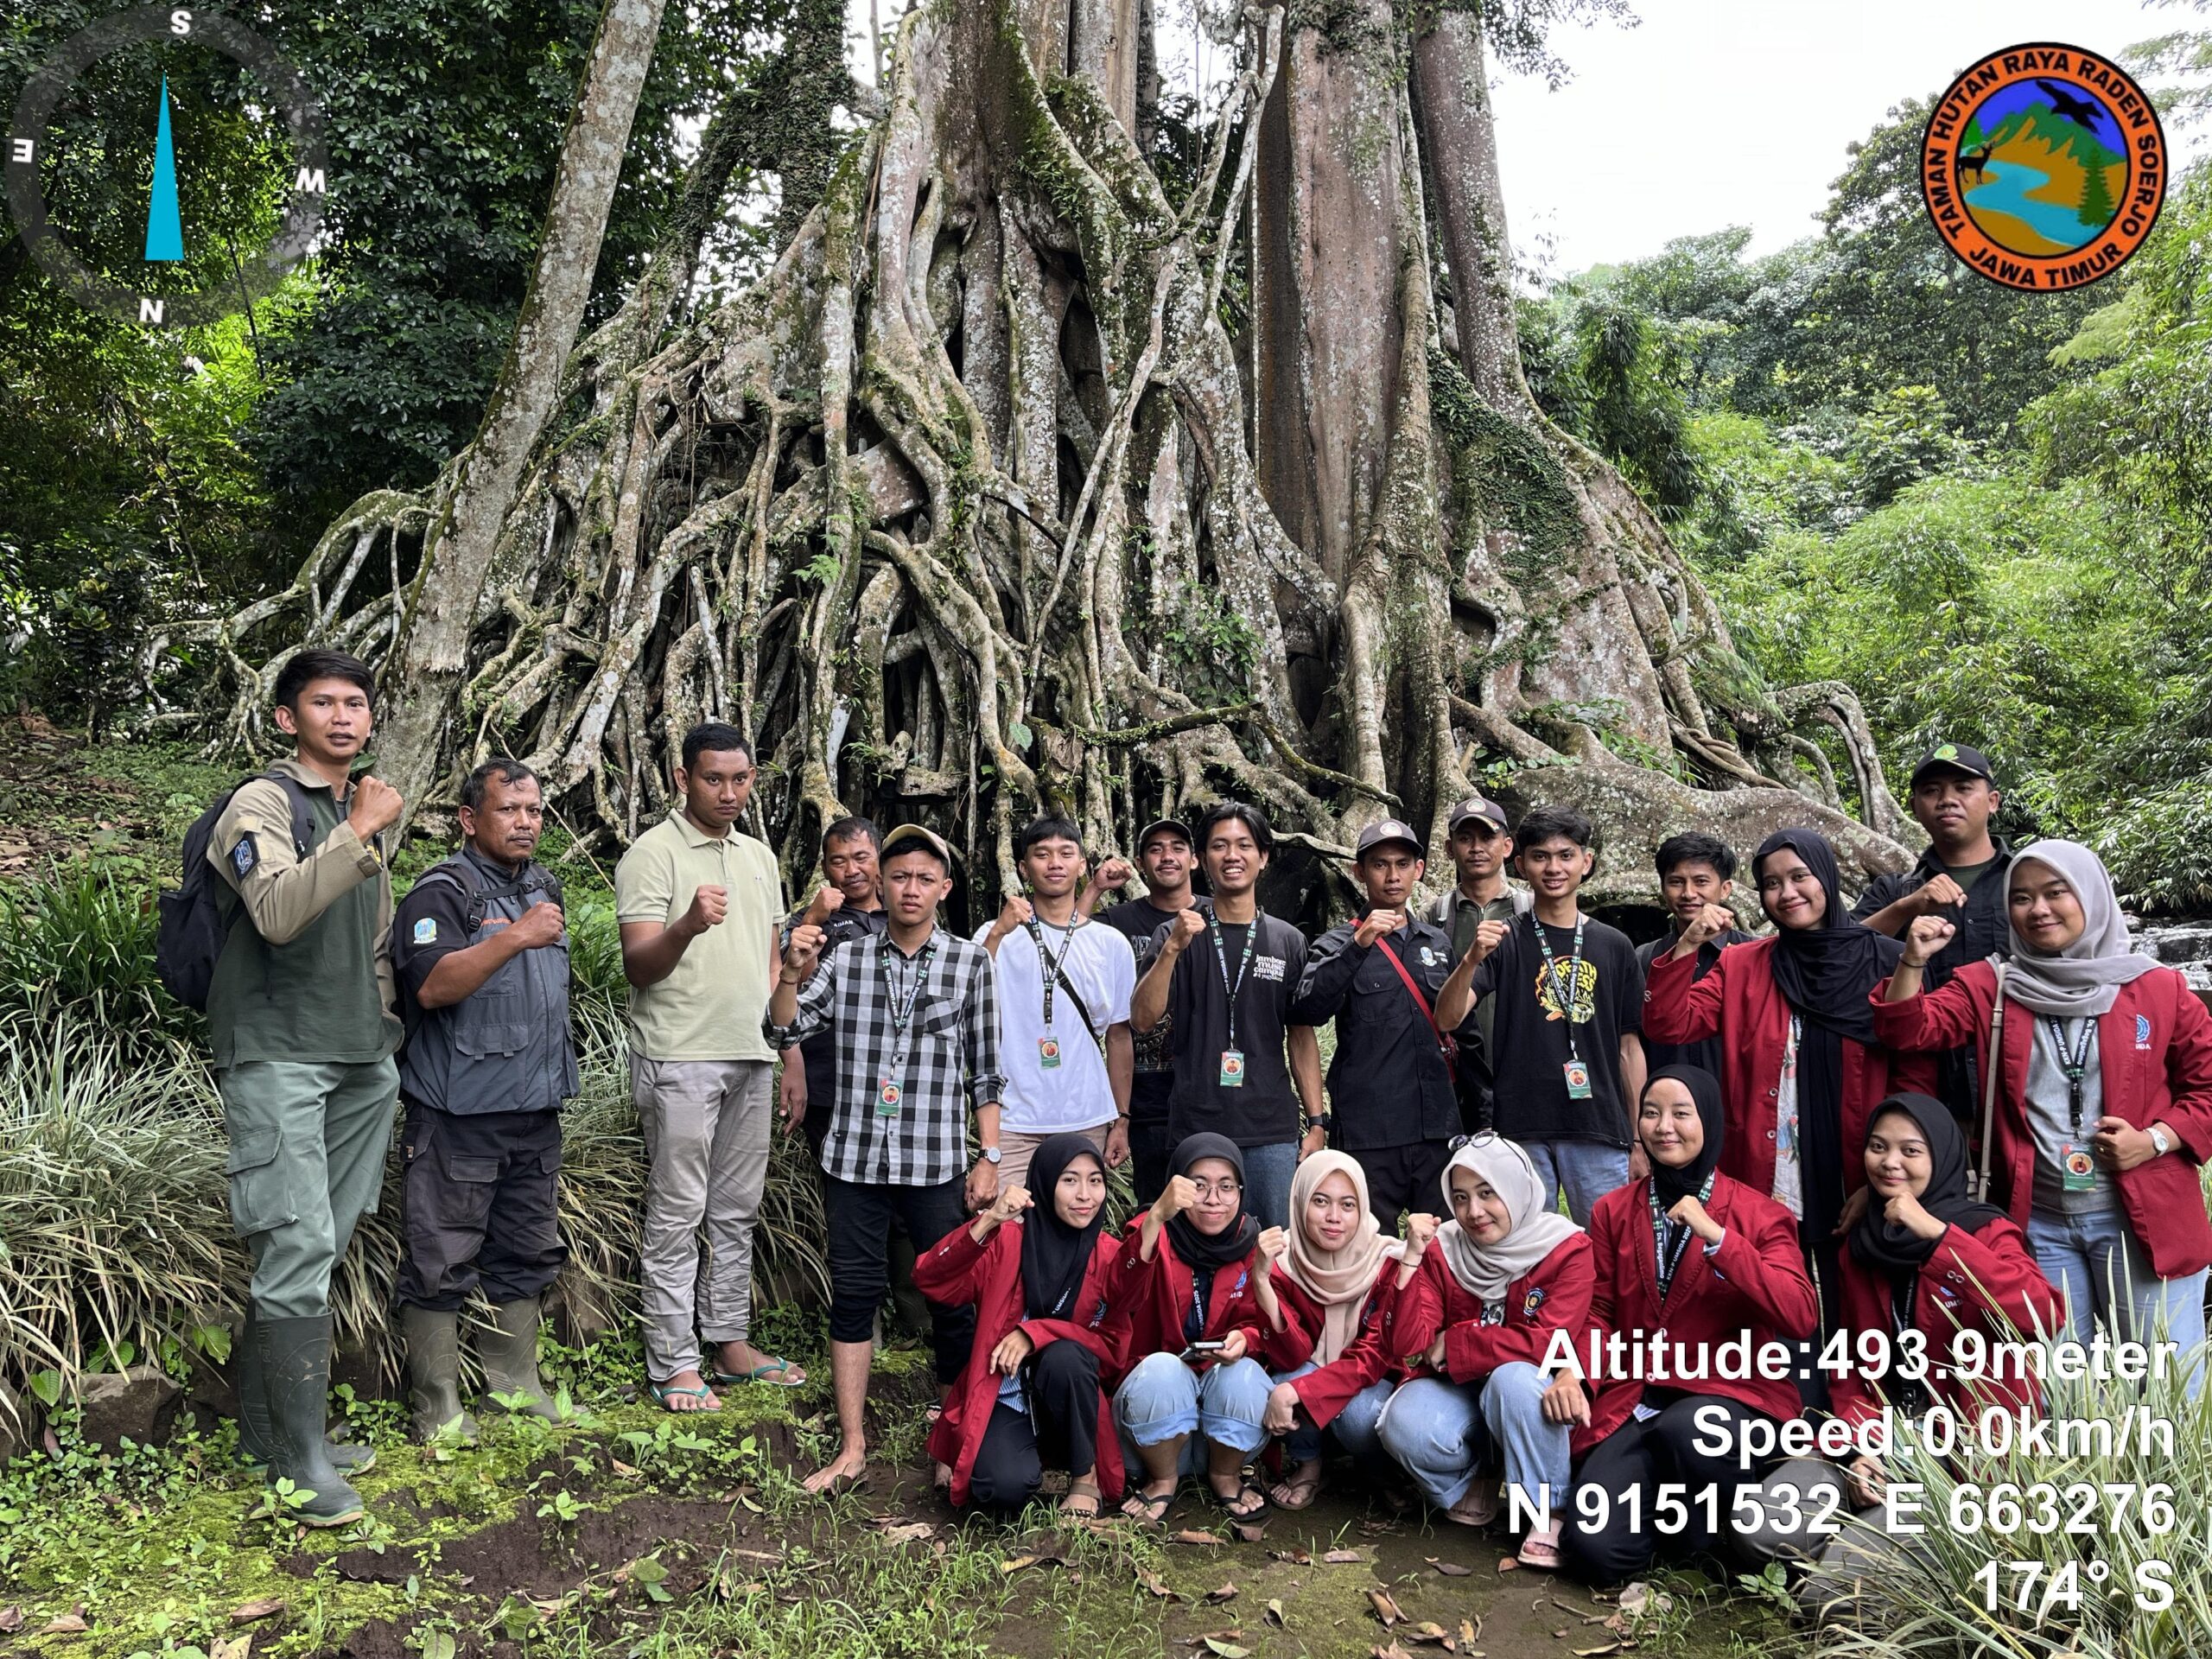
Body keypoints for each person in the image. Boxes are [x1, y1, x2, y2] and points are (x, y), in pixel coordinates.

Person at [1874, 841, 2212, 1376]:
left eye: (2057, 893)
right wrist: (1912, 959)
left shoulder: (2157, 987)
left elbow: (2208, 1088)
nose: (2039, 910)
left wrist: (2154, 1141)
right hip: (2041, 1221)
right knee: (2058, 1386)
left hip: (2140, 1219)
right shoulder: (1994, 984)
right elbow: (1907, 1028)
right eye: (2023, 898)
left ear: (2092, 896)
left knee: (2165, 1379)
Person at [207, 648, 403, 1527]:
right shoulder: (263, 804)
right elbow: (280, 913)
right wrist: (357, 832)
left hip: (360, 1058)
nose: (342, 716)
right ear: (288, 718)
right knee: (293, 1246)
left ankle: (269, 1435)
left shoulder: (353, 809)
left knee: (318, 1245)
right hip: (280, 1052)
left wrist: (385, 1042)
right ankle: (299, 1460)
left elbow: (370, 942)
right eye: (322, 702)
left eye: (355, 703)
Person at [1747, 1097, 2062, 1611]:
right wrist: (1859, 1452)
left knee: (1826, 1600)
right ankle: (1864, 1536)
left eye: (1910, 1151)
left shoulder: (1985, 1230)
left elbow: (2042, 1314)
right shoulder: (1863, 1241)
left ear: (1940, 1158)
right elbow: (1851, 1364)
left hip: (1964, 1455)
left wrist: (1938, 1236)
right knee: (1758, 1529)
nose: (1890, 1162)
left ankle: (1888, 1551)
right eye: (1878, 1147)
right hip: (1886, 1438)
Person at [767, 823, 1003, 1494]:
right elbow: (782, 1027)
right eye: (899, 875)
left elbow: (986, 1072)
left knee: (952, 1301)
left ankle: (950, 1435)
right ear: (879, 881)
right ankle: (851, 1445)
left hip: (935, 1162)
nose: (911, 888)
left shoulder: (968, 964)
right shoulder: (848, 960)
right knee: (854, 1295)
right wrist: (789, 972)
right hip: (856, 1161)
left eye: (925, 878)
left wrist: (987, 1157)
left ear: (945, 889)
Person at [1641, 828, 1930, 1347]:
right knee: (1767, 1295)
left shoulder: (1884, 959)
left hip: (1853, 1165)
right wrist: (1688, 945)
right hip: (1766, 1165)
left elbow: (1912, 1074)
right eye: (1772, 883)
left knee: (1858, 1300)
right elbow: (1670, 1023)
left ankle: (1859, 1409)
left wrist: (1881, 1178)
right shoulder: (1743, 963)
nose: (1788, 892)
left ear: (1827, 876)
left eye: (1800, 876)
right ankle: (1778, 1406)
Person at [1556, 1067, 1819, 1584]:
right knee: (1593, 1552)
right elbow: (1601, 1311)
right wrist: (1574, 1374)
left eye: (1681, 1113)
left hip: (1732, 1397)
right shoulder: (1613, 1210)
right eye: (1651, 1113)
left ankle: (1720, 1533)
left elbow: (1800, 1313)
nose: (1664, 1127)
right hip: (1640, 1398)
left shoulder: (1760, 1215)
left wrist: (1720, 1239)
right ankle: (1677, 1533)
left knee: (1690, 1429)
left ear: (1711, 1120)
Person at [391, 759, 577, 1442]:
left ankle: (516, 1388)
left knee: (527, 1251)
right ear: (471, 820)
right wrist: (515, 936)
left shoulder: (543, 885)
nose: (526, 822)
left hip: (535, 1112)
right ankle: (438, 1407)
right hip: (457, 1117)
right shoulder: (442, 894)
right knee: (440, 1259)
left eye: (534, 810)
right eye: (510, 810)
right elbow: (434, 986)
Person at [615, 723, 798, 1410]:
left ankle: (729, 1343)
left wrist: (786, 1038)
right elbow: (639, 964)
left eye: (741, 779)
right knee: (677, 1212)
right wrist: (688, 924)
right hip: (679, 1056)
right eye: (713, 779)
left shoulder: (758, 855)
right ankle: (673, 1362)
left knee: (735, 1210)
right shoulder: (653, 853)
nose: (728, 792)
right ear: (681, 778)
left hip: (750, 1054)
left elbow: (774, 962)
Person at [1379, 1135, 1592, 1567]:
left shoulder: (1566, 1247)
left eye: (1487, 1193)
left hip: (1522, 1392)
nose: (1473, 1212)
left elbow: (1550, 1340)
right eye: (1460, 1198)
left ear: (1516, 1187)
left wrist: (1460, 1342)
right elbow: (1409, 1346)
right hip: (1457, 1391)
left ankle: (1547, 1510)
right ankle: (1477, 1475)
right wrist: (1411, 1261)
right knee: (1400, 1423)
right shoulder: (1446, 1247)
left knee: (1513, 1378)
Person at [1433, 805, 1647, 1225]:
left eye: (1566, 855)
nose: (1554, 868)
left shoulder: (1615, 945)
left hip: (1599, 1126)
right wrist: (1472, 959)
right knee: (1529, 1253)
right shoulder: (1506, 942)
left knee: (1609, 1250)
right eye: (1540, 856)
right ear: (1521, 864)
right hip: (1522, 1128)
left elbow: (1629, 1048)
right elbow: (1447, 1019)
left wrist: (1638, 1137)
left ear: (1587, 863)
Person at [912, 1134, 1128, 1517]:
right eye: (1069, 1180)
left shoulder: (1108, 1253)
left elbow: (1112, 1348)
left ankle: (1084, 1476)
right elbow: (931, 1279)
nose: (1085, 1195)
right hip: (1006, 1394)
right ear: (1044, 1184)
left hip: (1069, 1403)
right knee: (999, 1490)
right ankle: (1016, 1457)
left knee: (1064, 1358)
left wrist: (1036, 1333)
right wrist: (988, 1221)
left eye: (1095, 1181)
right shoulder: (1007, 1240)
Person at [1130, 802, 1324, 1229]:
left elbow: (1301, 1034)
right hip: (1197, 1126)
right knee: (1198, 1252)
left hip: (1270, 1127)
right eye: (1220, 845)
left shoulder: (1287, 940)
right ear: (1202, 859)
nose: (1232, 855)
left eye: (1244, 845)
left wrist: (1315, 1121)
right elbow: (1142, 1020)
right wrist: (1173, 949)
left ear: (1264, 857)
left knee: (1273, 1247)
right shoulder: (1176, 931)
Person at [1110, 1134, 1311, 1522]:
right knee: (1164, 1369)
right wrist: (1156, 1216)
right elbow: (1120, 1297)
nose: (1213, 1199)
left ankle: (1225, 1476)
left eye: (1226, 1187)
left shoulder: (1256, 1244)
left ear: (1242, 1191)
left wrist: (1247, 1339)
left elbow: (1291, 1349)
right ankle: (1163, 1480)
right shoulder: (1151, 1231)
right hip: (1157, 1430)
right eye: (1198, 1185)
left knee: (1245, 1375)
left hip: (1223, 1433)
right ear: (1177, 1187)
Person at [1291, 819, 1464, 1232]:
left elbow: (1463, 1031)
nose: (1392, 876)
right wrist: (1359, 944)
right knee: (1367, 1245)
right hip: (1371, 1132)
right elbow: (1309, 1009)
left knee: (1440, 1248)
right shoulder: (1336, 942)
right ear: (1359, 872)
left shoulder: (1436, 943)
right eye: (1380, 865)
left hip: (1437, 1128)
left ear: (1418, 870)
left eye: (1403, 864)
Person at [1853, 744, 2018, 1119]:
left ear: (1992, 801)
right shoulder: (1894, 890)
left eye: (1963, 787)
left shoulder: (2027, 884)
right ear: (1914, 808)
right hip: (1922, 1084)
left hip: (2019, 1075)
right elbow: (1839, 950)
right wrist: (1907, 908)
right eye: (1932, 791)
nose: (1947, 800)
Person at [1258, 1151, 1426, 1510]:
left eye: (1348, 1205)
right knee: (1283, 1377)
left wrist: (1296, 1392)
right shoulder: (1283, 1261)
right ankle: (1309, 1465)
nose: (1334, 1217)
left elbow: (1375, 1357)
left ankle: (1378, 1469)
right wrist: (1261, 1282)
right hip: (1313, 1387)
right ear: (1300, 1201)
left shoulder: (1386, 1260)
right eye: (1320, 1201)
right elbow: (1289, 1354)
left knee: (1360, 1413)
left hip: (1367, 1389)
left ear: (1363, 1207)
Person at [979, 817, 1135, 1192]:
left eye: (1066, 854)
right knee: (1009, 1234)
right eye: (1042, 854)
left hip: (1086, 1116)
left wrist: (1122, 1120)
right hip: (1014, 1118)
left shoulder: (1110, 944)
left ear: (1082, 865)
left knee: (1075, 1231)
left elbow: (1118, 1037)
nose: (1054, 863)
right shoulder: (994, 934)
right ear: (1023, 867)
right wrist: (1000, 932)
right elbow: (971, 1004)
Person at [1099, 818, 1211, 1205]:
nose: (1167, 857)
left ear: (1195, 860)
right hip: (1147, 1101)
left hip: (1211, 1098)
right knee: (1153, 1215)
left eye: (1178, 847)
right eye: (1156, 849)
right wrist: (1095, 888)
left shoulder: (1220, 915)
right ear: (1140, 862)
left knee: (1214, 1213)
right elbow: (1066, 940)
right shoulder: (1119, 921)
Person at [1425, 795, 1527, 1133]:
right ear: (1448, 848)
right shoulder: (1435, 916)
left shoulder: (1531, 909)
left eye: (1487, 838)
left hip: (1522, 1063)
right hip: (1458, 1071)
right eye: (1465, 839)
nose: (1476, 848)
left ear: (1507, 845)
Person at [1634, 833, 1753, 1079]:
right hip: (1664, 1105)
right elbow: (1633, 1042)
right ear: (1663, 888)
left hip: (1731, 1105)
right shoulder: (1647, 958)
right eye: (1676, 882)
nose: (1688, 893)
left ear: (1725, 889)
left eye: (1701, 882)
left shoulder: (1752, 956)